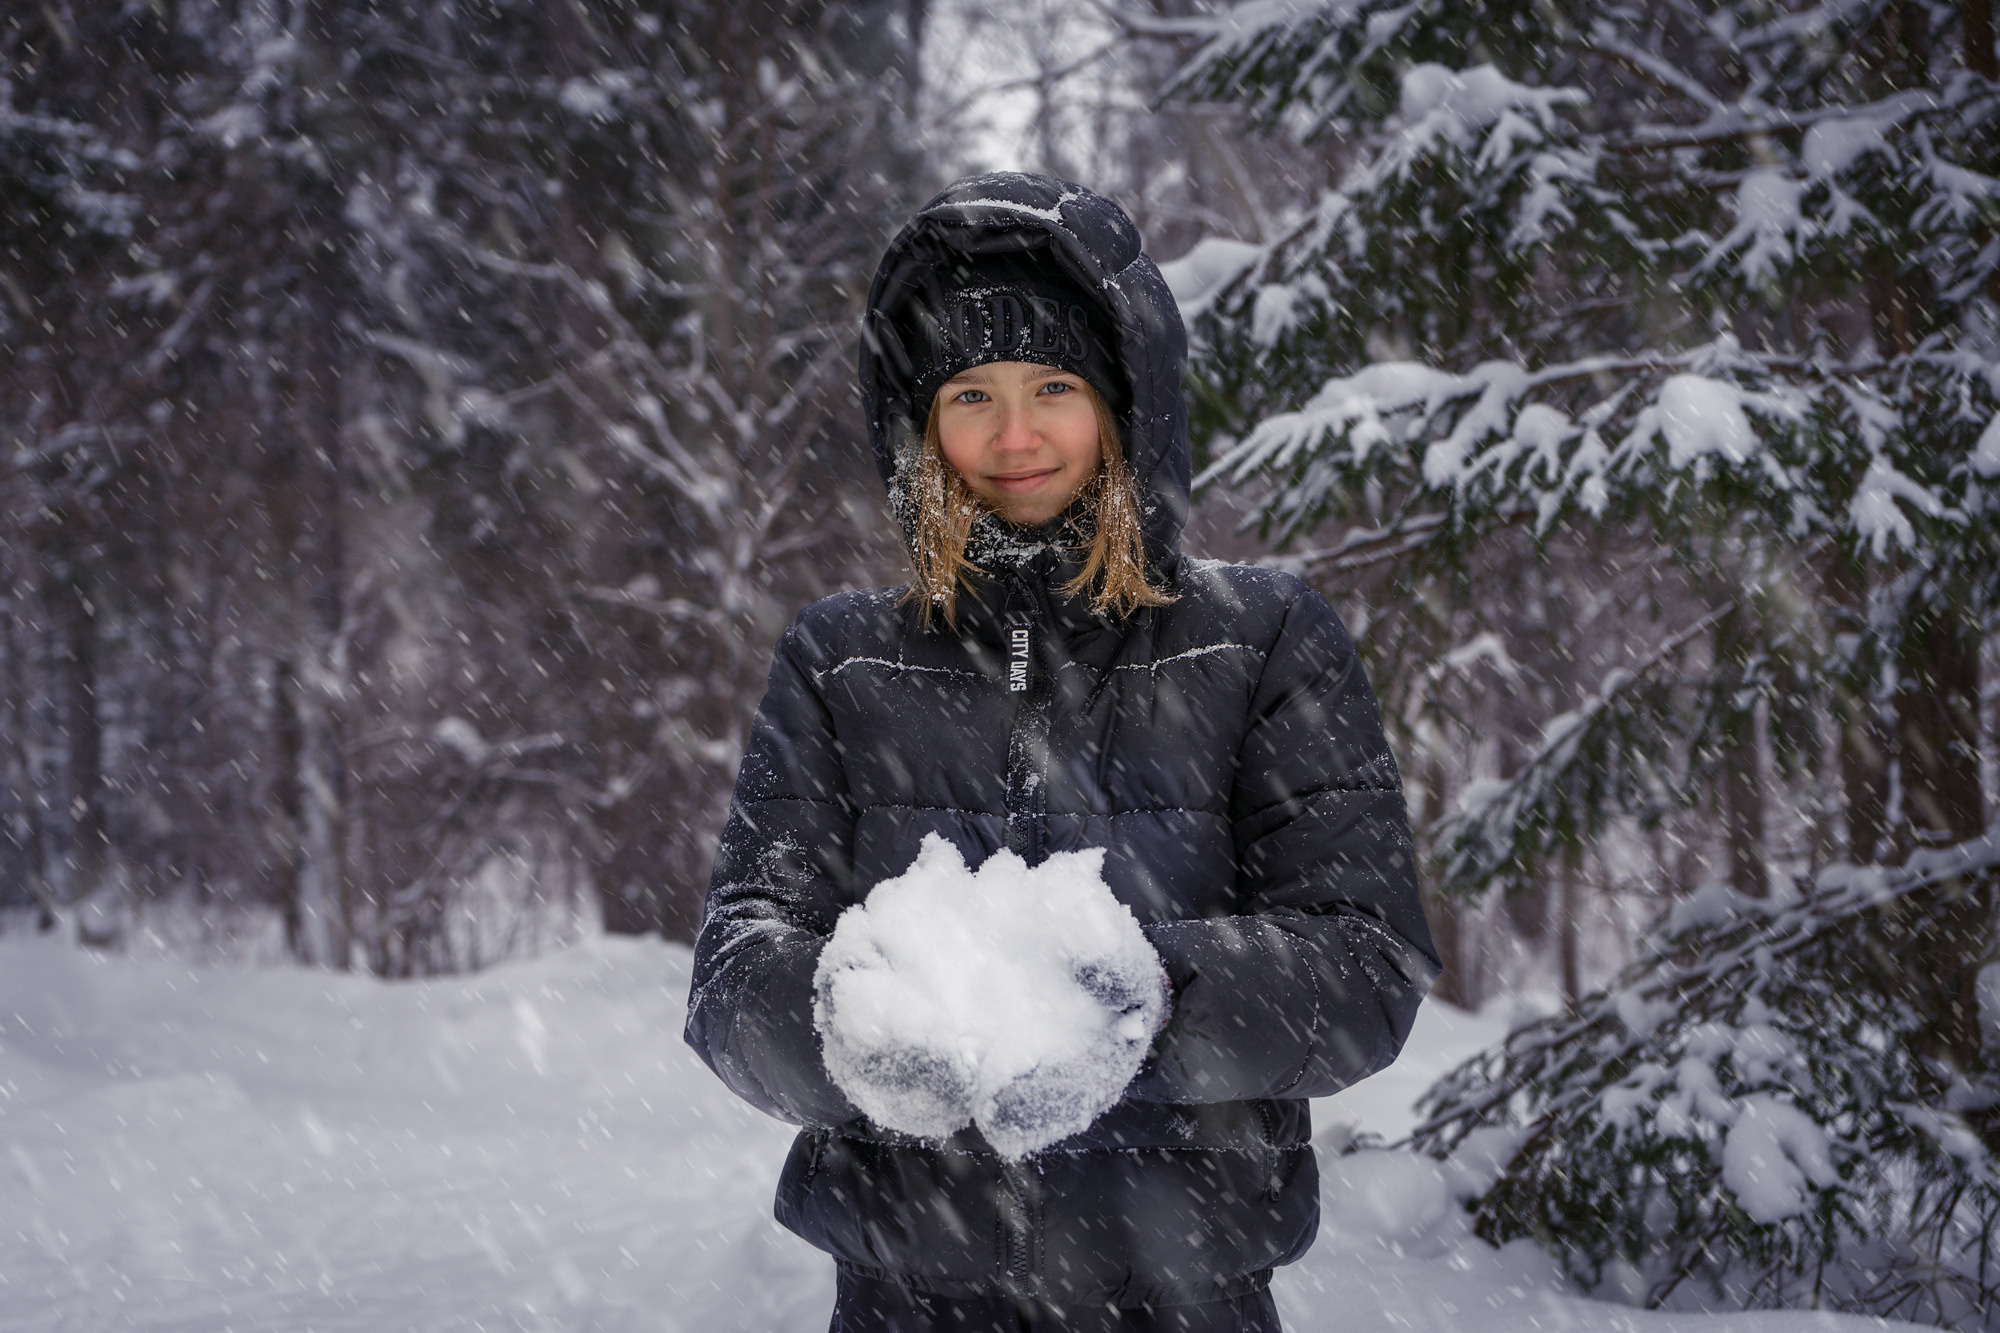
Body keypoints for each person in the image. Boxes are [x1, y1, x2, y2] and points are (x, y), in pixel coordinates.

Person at [684, 173, 1438, 1333]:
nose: (1014, 435)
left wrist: (1135, 1003)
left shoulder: (1261, 641)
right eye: (969, 393)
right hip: (903, 1301)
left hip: (1187, 1299)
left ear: (1128, 399)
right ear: (916, 420)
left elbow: (1364, 968)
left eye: (1053, 385)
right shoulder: (841, 661)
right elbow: (735, 971)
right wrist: (852, 1022)